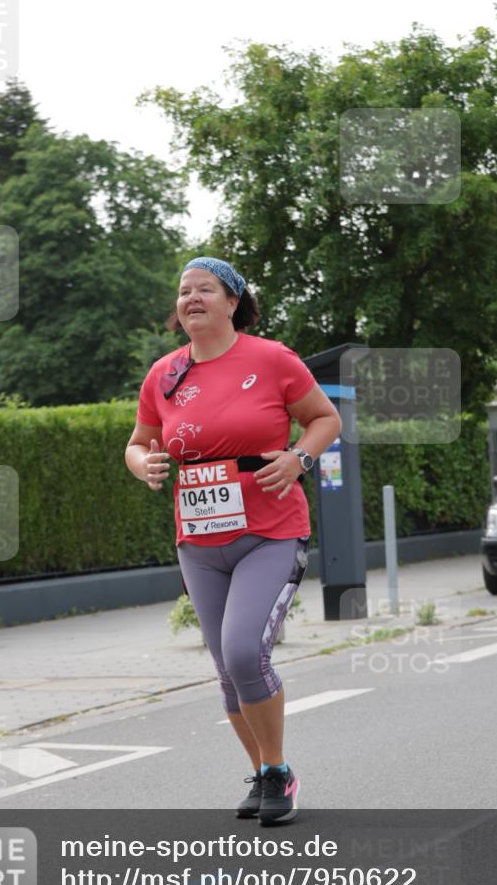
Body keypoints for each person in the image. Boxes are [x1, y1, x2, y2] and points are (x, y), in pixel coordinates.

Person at [125, 256, 342, 825]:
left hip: (269, 531)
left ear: (232, 301)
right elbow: (139, 441)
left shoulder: (271, 359)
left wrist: (299, 459)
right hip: (198, 541)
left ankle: (277, 773)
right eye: (183, 291)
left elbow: (324, 419)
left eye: (205, 289)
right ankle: (268, 771)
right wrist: (142, 466)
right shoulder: (165, 374)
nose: (191, 297)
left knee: (246, 651)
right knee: (226, 667)